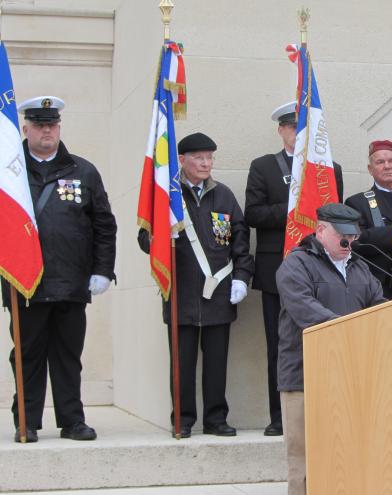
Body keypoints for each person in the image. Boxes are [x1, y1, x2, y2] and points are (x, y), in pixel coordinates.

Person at [2, 96, 117, 443]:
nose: (46, 130)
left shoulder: (83, 171)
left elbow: (104, 225)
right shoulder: (9, 172)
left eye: (51, 124)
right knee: (27, 356)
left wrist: (102, 269)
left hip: (71, 282)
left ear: (59, 127)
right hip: (25, 284)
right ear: (25, 129)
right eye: (39, 124)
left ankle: (72, 420)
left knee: (68, 357)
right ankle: (27, 420)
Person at [138, 132, 254, 438]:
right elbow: (143, 236)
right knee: (182, 363)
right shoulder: (168, 194)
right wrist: (160, 237)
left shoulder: (224, 195)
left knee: (217, 363)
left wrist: (242, 276)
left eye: (210, 157)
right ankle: (183, 419)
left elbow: (240, 239)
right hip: (182, 292)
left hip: (219, 292)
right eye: (199, 158)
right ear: (181, 160)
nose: (206, 164)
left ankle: (216, 419)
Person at [245, 101, 344, 436]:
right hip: (280, 268)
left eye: (302, 128)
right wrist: (293, 207)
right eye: (291, 127)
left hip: (322, 269)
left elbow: (337, 219)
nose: (296, 133)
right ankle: (280, 417)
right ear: (281, 131)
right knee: (280, 343)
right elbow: (254, 214)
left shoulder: (331, 169)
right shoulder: (263, 167)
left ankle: (323, 410)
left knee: (324, 340)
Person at [276, 203, 385, 495]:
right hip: (304, 379)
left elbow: (380, 307)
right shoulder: (296, 264)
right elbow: (305, 310)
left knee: (348, 457)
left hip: (352, 376)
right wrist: (352, 328)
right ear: (321, 230)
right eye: (343, 236)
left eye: (354, 236)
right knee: (305, 461)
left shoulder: (360, 267)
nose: (350, 243)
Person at [345, 139, 392, 298]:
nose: (387, 166)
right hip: (379, 287)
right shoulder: (357, 202)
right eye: (380, 162)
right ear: (370, 169)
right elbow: (358, 242)